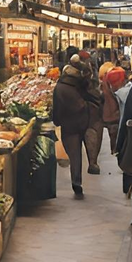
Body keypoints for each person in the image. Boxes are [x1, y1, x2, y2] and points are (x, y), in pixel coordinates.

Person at [50, 63, 98, 197]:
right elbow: (94, 97)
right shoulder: (81, 84)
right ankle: (91, 165)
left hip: (69, 125)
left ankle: (76, 181)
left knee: (74, 154)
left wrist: (57, 121)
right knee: (86, 149)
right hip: (84, 121)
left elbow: (57, 107)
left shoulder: (60, 87)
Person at [100, 55, 128, 152]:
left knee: (113, 134)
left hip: (108, 115)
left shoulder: (104, 83)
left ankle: (115, 149)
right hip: (117, 115)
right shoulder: (119, 81)